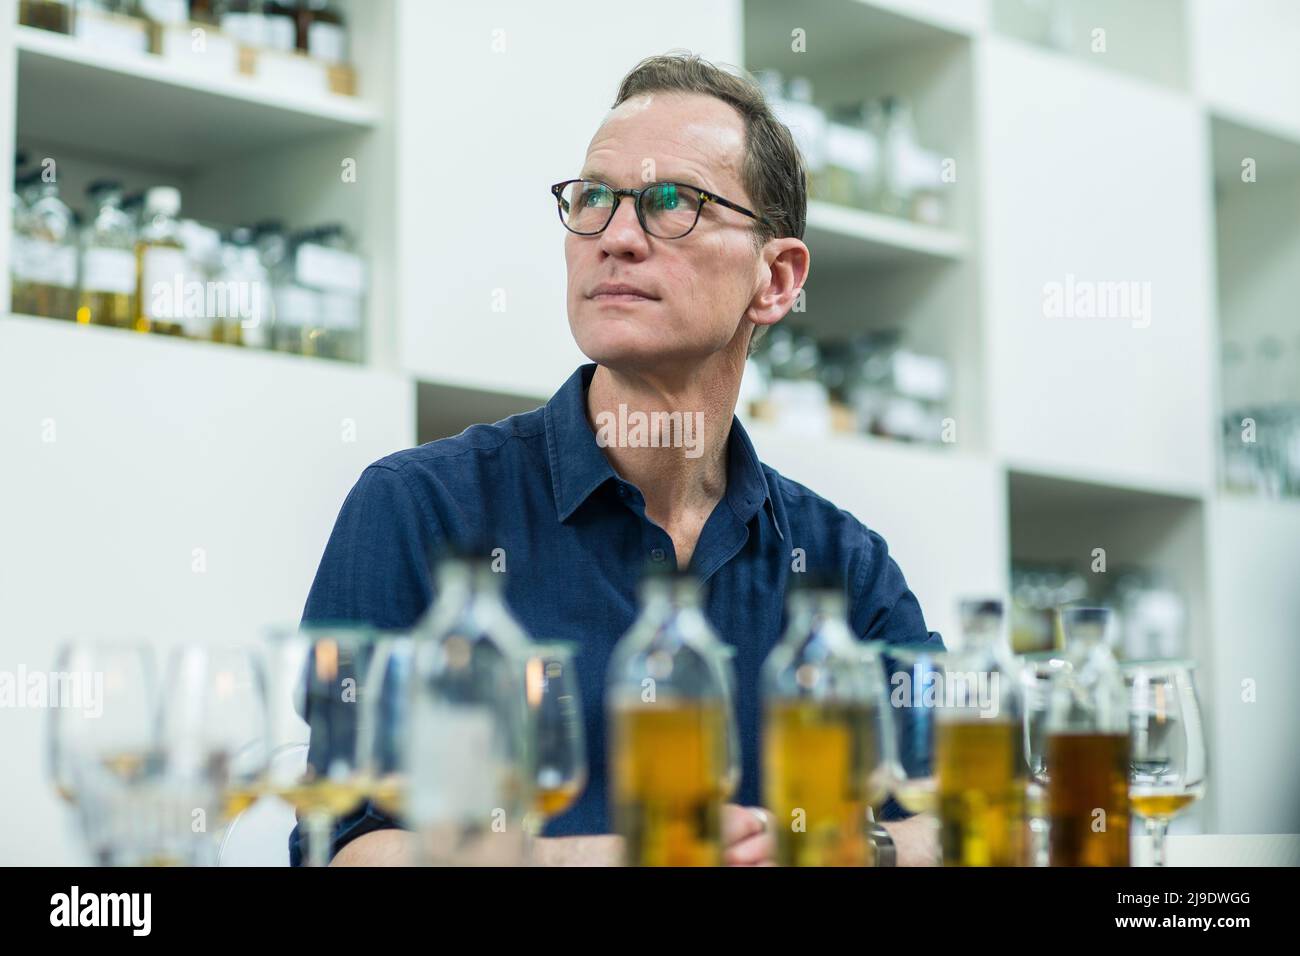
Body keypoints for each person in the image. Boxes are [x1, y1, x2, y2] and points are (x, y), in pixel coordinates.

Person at [292, 52, 943, 867]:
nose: (618, 238)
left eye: (673, 203)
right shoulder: (418, 509)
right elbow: (343, 845)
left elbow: (970, 817)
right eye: (594, 198)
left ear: (775, 280)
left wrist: (844, 850)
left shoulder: (844, 567)